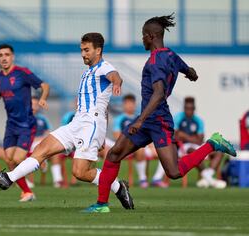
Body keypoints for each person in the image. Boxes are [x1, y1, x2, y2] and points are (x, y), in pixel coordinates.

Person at [85, 14, 236, 213]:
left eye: (143, 36)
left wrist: (141, 119)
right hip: (148, 120)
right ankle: (102, 204)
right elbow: (190, 71)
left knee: (174, 172)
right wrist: (191, 74)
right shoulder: (171, 55)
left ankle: (212, 144)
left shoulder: (155, 61)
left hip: (158, 120)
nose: (142, 40)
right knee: (114, 155)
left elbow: (158, 94)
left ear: (151, 36)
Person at [0, 32, 134, 210]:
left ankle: (117, 187)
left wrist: (117, 83)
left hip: (90, 125)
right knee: (42, 149)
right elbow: (104, 106)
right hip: (77, 122)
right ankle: (9, 178)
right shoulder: (88, 72)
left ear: (98, 50)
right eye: (81, 50)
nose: (83, 54)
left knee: (80, 172)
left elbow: (116, 75)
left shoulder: (104, 67)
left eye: (87, 50)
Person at [0, 44, 50, 202]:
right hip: (11, 125)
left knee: (17, 159)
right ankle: (27, 192)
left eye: (6, 54)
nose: (4, 58)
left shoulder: (22, 73)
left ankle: (39, 159)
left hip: (27, 124)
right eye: (0, 55)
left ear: (12, 56)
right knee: (9, 159)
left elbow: (44, 85)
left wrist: (42, 98)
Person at [113, 94, 167, 188]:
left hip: (142, 146)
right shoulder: (119, 119)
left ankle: (156, 179)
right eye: (127, 103)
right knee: (139, 149)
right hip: (127, 148)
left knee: (164, 152)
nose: (130, 106)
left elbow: (147, 135)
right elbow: (117, 136)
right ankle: (143, 179)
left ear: (135, 104)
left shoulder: (140, 118)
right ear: (124, 105)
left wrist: (151, 145)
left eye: (132, 103)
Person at [174, 97, 226, 188]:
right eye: (186, 108)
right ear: (184, 108)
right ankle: (210, 180)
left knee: (219, 152)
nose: (188, 111)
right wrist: (191, 138)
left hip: (196, 145)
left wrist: (184, 135)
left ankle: (207, 178)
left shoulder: (198, 120)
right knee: (192, 150)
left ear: (194, 109)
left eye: (190, 109)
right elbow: (175, 136)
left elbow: (199, 140)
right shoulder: (178, 118)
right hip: (183, 147)